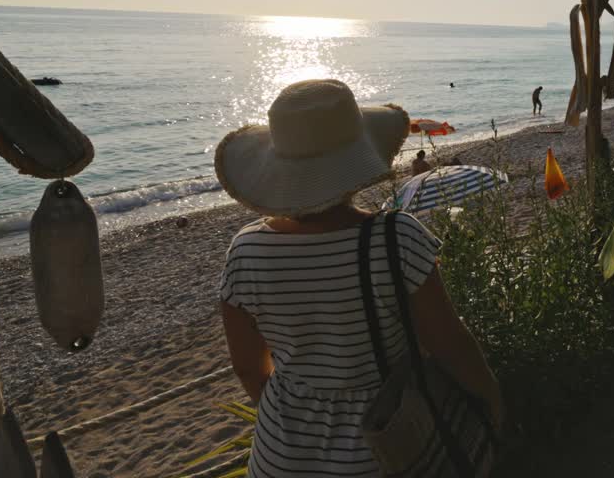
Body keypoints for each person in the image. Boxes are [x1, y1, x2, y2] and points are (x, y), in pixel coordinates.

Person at [215, 79, 502, 477]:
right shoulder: (396, 237)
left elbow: (248, 366)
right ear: (357, 154)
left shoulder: (246, 250)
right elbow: (450, 343)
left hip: (279, 455)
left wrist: (298, 407)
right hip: (389, 449)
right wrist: (491, 401)